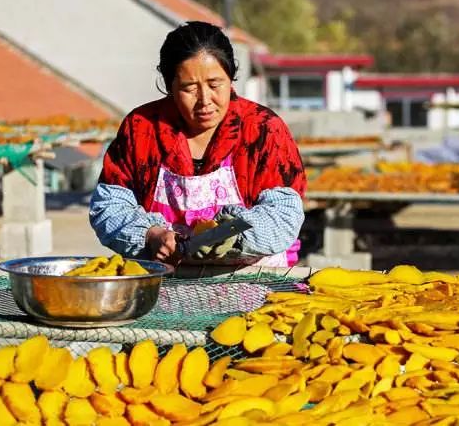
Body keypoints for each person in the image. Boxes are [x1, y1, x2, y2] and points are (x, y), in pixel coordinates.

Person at [90, 21, 306, 267]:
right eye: (188, 88)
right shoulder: (141, 129)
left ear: (231, 77)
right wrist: (150, 235)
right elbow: (109, 205)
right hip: (166, 284)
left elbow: (284, 213)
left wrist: (234, 235)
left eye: (215, 85)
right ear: (169, 85)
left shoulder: (263, 129)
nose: (205, 100)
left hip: (254, 285)